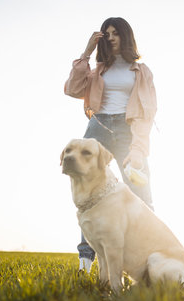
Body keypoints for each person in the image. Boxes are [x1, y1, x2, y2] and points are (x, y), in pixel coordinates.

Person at [64, 17, 157, 273]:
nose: (112, 37)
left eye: (116, 33)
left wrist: (138, 149)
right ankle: (85, 262)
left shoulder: (141, 71)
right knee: (89, 196)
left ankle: (149, 256)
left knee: (141, 192)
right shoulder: (98, 71)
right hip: (99, 128)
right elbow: (72, 89)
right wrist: (86, 52)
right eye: (108, 33)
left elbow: (147, 112)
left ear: (125, 36)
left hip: (128, 130)